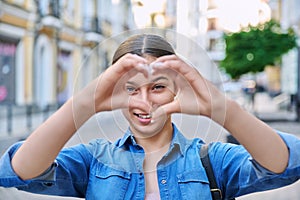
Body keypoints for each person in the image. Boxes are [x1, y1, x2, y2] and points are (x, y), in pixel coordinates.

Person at [0, 33, 300, 200]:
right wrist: (83, 106)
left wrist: (221, 109)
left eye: (158, 87)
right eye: (130, 88)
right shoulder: (94, 159)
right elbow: (17, 172)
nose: (144, 102)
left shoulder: (211, 159)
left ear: (175, 91)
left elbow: (286, 165)